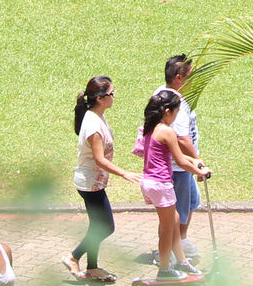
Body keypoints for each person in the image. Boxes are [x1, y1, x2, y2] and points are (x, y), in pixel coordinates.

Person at [135, 90, 209, 280]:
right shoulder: (167, 131)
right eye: (176, 112)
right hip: (161, 185)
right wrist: (199, 171)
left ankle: (182, 261)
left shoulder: (153, 127)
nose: (176, 117)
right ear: (167, 111)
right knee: (167, 229)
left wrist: (196, 162)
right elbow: (181, 161)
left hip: (150, 183)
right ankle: (165, 269)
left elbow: (181, 157)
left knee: (174, 220)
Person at [70, 76, 134, 282]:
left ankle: (92, 268)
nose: (114, 97)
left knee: (97, 226)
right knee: (106, 226)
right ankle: (74, 256)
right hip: (90, 184)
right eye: (111, 94)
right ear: (100, 98)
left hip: (93, 181)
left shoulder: (97, 117)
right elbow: (99, 159)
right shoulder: (93, 126)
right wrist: (124, 173)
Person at [152, 57, 203, 269]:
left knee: (190, 203)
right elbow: (181, 139)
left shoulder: (164, 93)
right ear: (179, 78)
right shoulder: (175, 103)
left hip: (179, 167)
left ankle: (180, 242)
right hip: (176, 168)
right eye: (191, 77)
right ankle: (169, 252)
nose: (195, 81)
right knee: (173, 214)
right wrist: (198, 162)